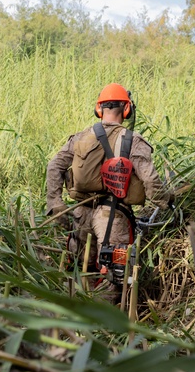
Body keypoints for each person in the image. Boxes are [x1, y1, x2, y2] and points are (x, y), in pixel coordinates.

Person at [45, 83, 171, 305]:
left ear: (99, 109)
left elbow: (54, 167)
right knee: (118, 277)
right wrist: (166, 201)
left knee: (81, 270)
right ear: (127, 110)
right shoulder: (133, 140)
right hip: (113, 219)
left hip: (80, 215)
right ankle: (106, 327)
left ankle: (73, 319)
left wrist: (56, 203)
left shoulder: (80, 138)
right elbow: (150, 180)